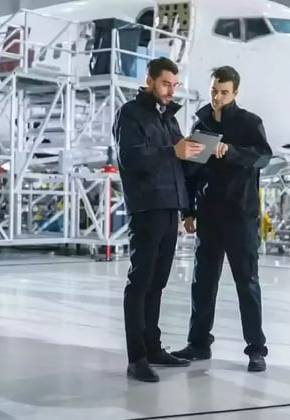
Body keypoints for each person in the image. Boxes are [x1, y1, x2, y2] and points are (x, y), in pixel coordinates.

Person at [171, 66, 272, 372]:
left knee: (247, 284)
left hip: (241, 217)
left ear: (235, 93)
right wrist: (187, 211)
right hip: (210, 217)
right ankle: (199, 343)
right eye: (214, 90)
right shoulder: (200, 123)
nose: (217, 97)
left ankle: (256, 350)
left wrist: (232, 151)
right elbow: (191, 172)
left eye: (224, 92)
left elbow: (263, 157)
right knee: (202, 283)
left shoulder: (250, 123)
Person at [113, 57, 205, 383]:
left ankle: (153, 348)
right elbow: (132, 157)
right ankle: (136, 357)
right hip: (147, 207)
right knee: (140, 284)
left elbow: (179, 164)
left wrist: (200, 155)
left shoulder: (168, 118)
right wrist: (174, 151)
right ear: (150, 80)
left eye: (174, 85)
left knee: (157, 284)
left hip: (170, 208)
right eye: (166, 84)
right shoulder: (131, 114)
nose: (171, 90)